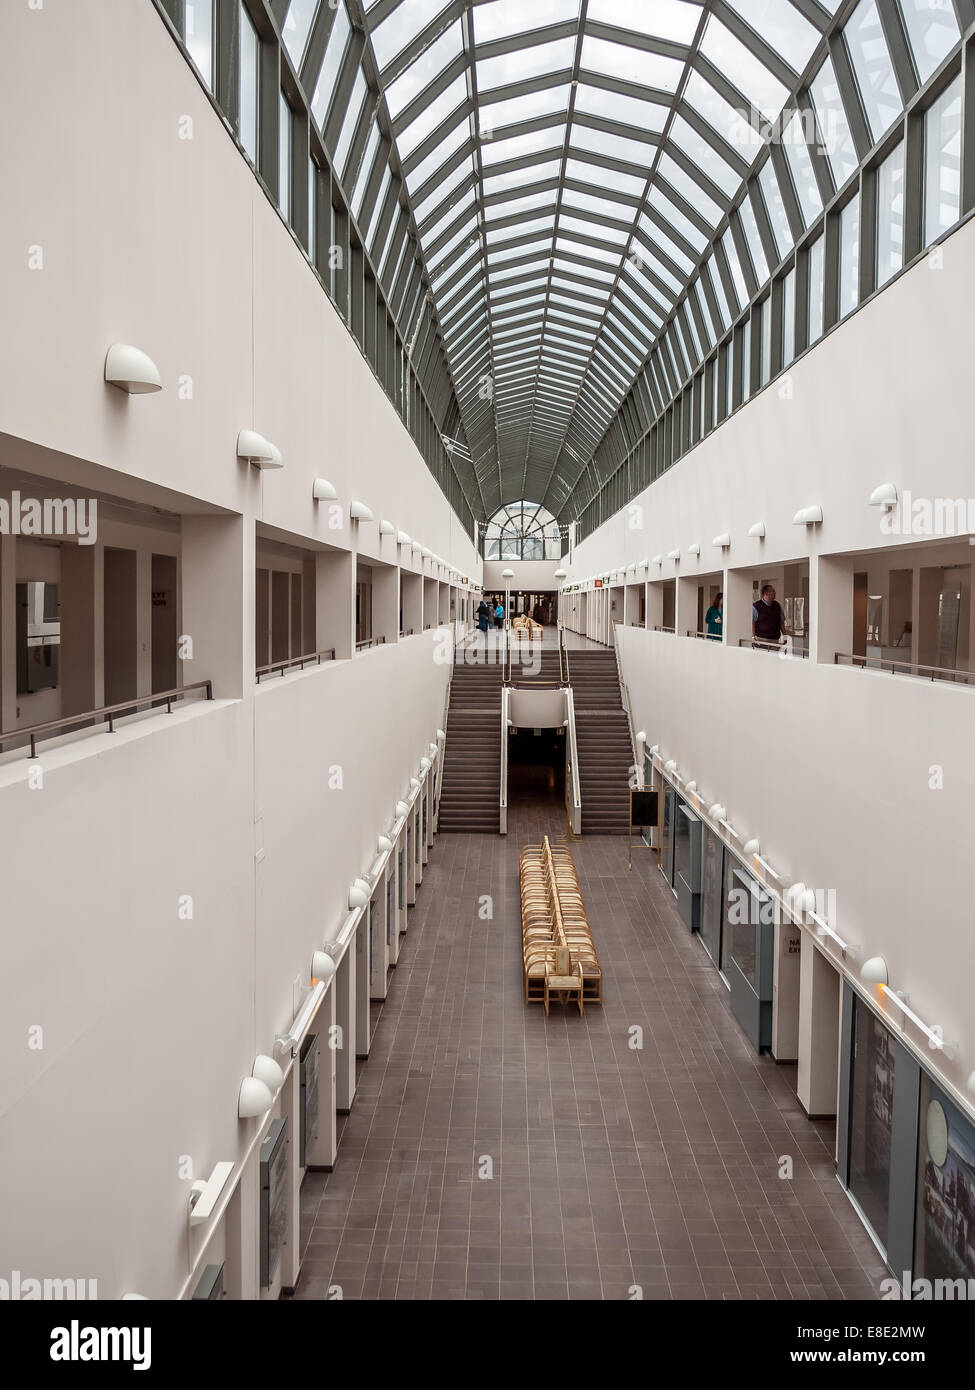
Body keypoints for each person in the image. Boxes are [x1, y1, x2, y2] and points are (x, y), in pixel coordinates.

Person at [752, 584, 788, 648]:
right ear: (766, 593)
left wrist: (785, 636)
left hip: (775, 640)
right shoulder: (756, 606)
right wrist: (753, 637)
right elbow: (752, 623)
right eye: (773, 591)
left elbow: (781, 622)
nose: (775, 593)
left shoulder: (777, 605)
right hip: (761, 640)